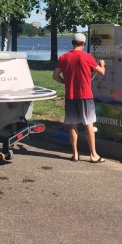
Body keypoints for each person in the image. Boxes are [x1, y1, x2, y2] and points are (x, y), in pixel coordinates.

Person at [52, 33, 106, 163]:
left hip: (70, 95)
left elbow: (55, 76)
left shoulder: (63, 57)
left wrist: (66, 82)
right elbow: (101, 72)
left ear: (72, 43)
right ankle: (93, 155)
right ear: (83, 44)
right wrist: (102, 64)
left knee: (73, 124)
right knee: (89, 124)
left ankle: (75, 154)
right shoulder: (87, 57)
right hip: (85, 95)